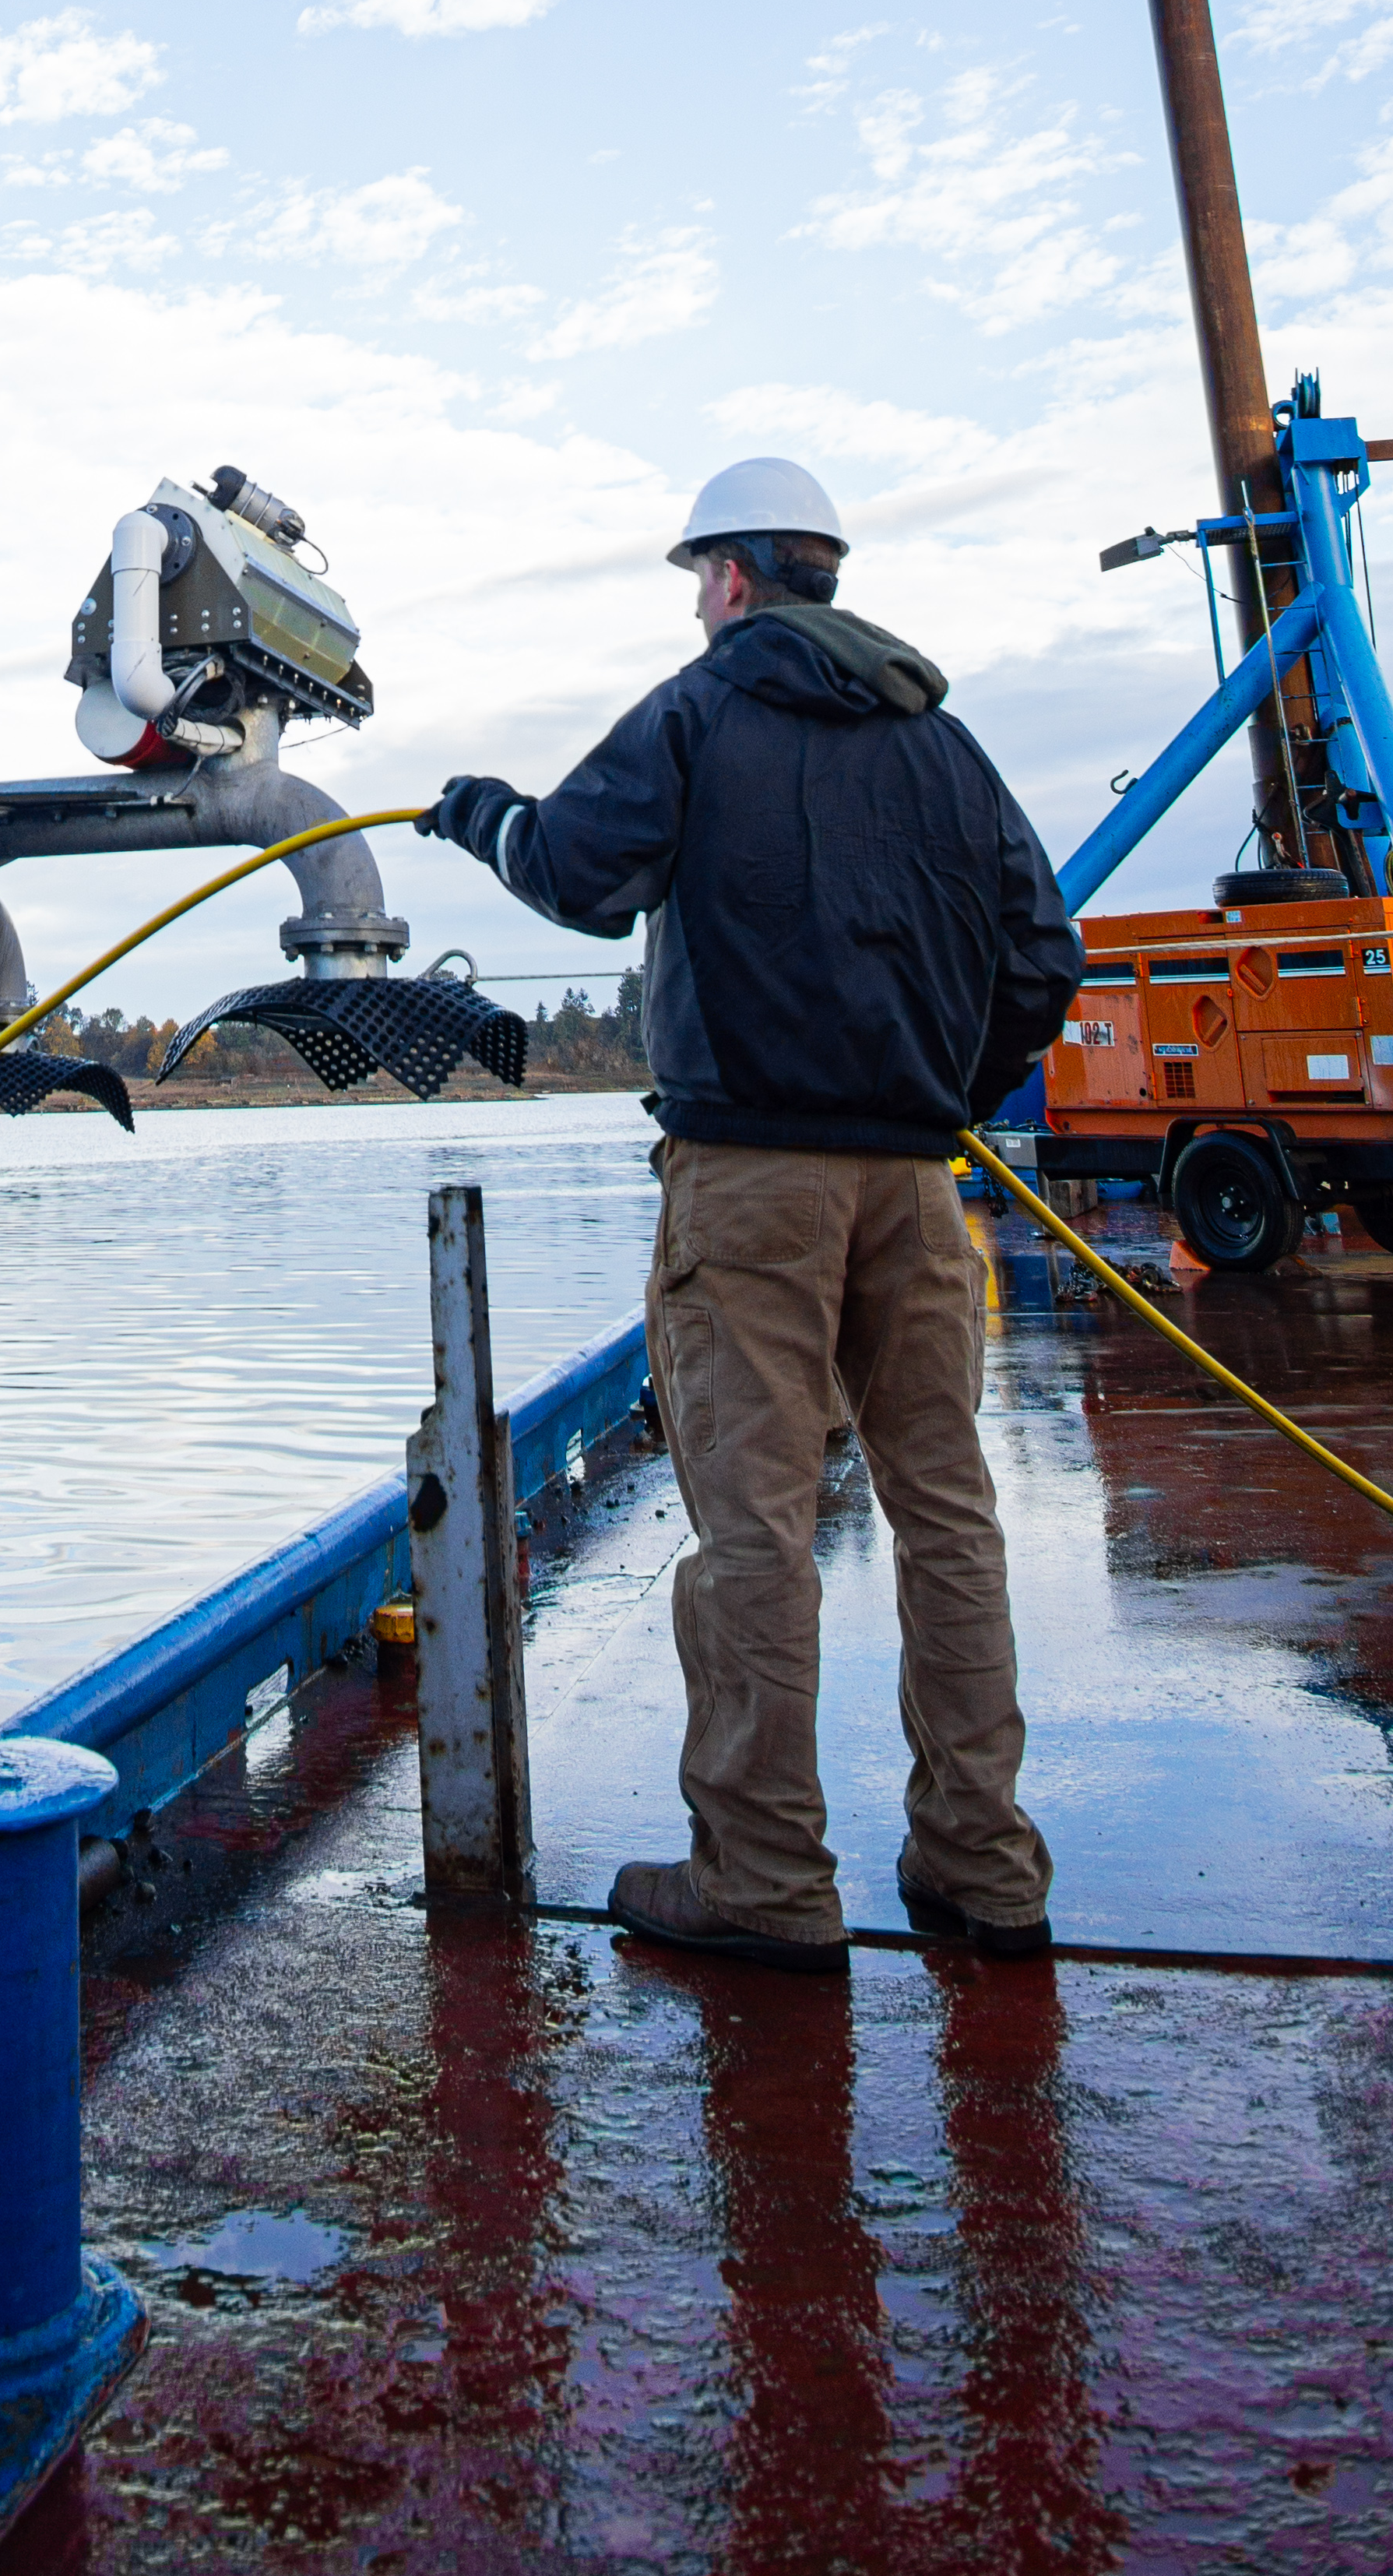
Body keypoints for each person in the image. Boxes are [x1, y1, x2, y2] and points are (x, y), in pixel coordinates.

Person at [425, 455, 1084, 1975]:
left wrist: (479, 819)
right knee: (947, 1513)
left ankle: (762, 1874)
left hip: (749, 1186)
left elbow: (579, 878)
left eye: (696, 582)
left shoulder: (699, 712)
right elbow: (1043, 962)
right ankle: (984, 1866)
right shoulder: (947, 747)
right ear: (826, 576)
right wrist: (941, 1098)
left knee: (754, 1530)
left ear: (727, 581)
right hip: (916, 1188)